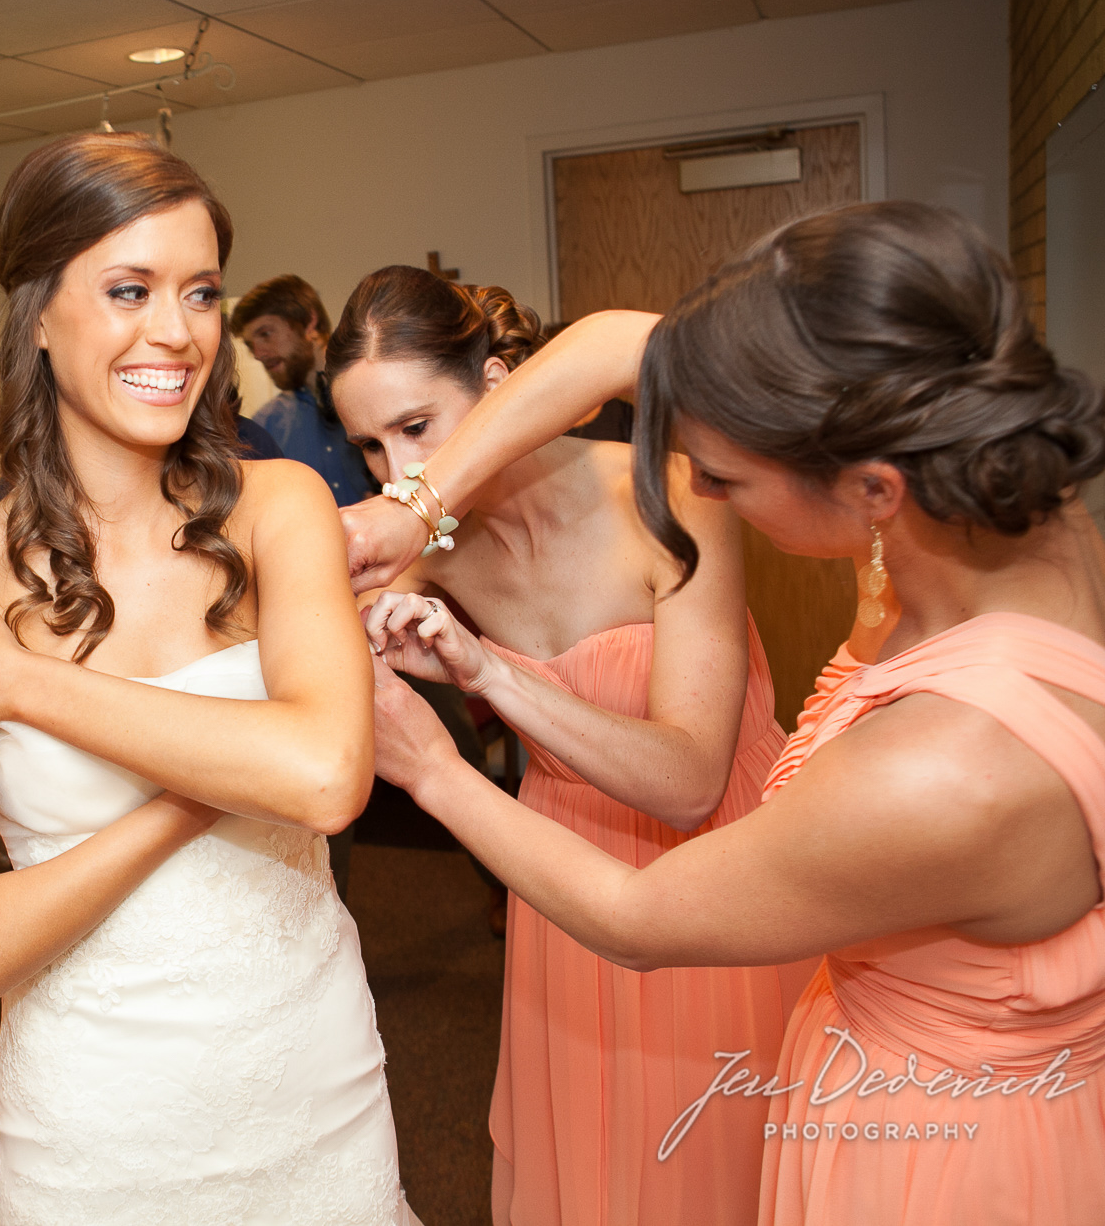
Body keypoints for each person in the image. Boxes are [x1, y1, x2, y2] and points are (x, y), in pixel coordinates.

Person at [354, 202, 1105, 1224]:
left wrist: (431, 767)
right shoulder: (1025, 500)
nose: (708, 500)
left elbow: (636, 920)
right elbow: (608, 345)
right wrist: (412, 504)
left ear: (869, 484)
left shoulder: (949, 766)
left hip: (935, 1160)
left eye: (724, 477)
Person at [0, 132, 415, 1224]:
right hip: (101, 1131)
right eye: (129, 289)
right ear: (37, 313)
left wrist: (19, 684)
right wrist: (193, 795)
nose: (176, 333)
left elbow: (320, 780)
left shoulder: (278, 510)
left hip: (311, 1090)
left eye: (200, 292)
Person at [330, 267, 805, 1224]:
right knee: (593, 1167)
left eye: (417, 427)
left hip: (723, 866)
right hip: (565, 883)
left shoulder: (668, 492)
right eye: (371, 447)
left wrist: (486, 674)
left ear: (504, 384)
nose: (395, 473)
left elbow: (688, 778)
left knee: (719, 1161)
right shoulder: (428, 556)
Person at [232, 275, 367, 506]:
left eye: (265, 334)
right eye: (249, 344)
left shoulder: (373, 397)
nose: (258, 354)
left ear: (308, 322)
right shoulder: (265, 426)